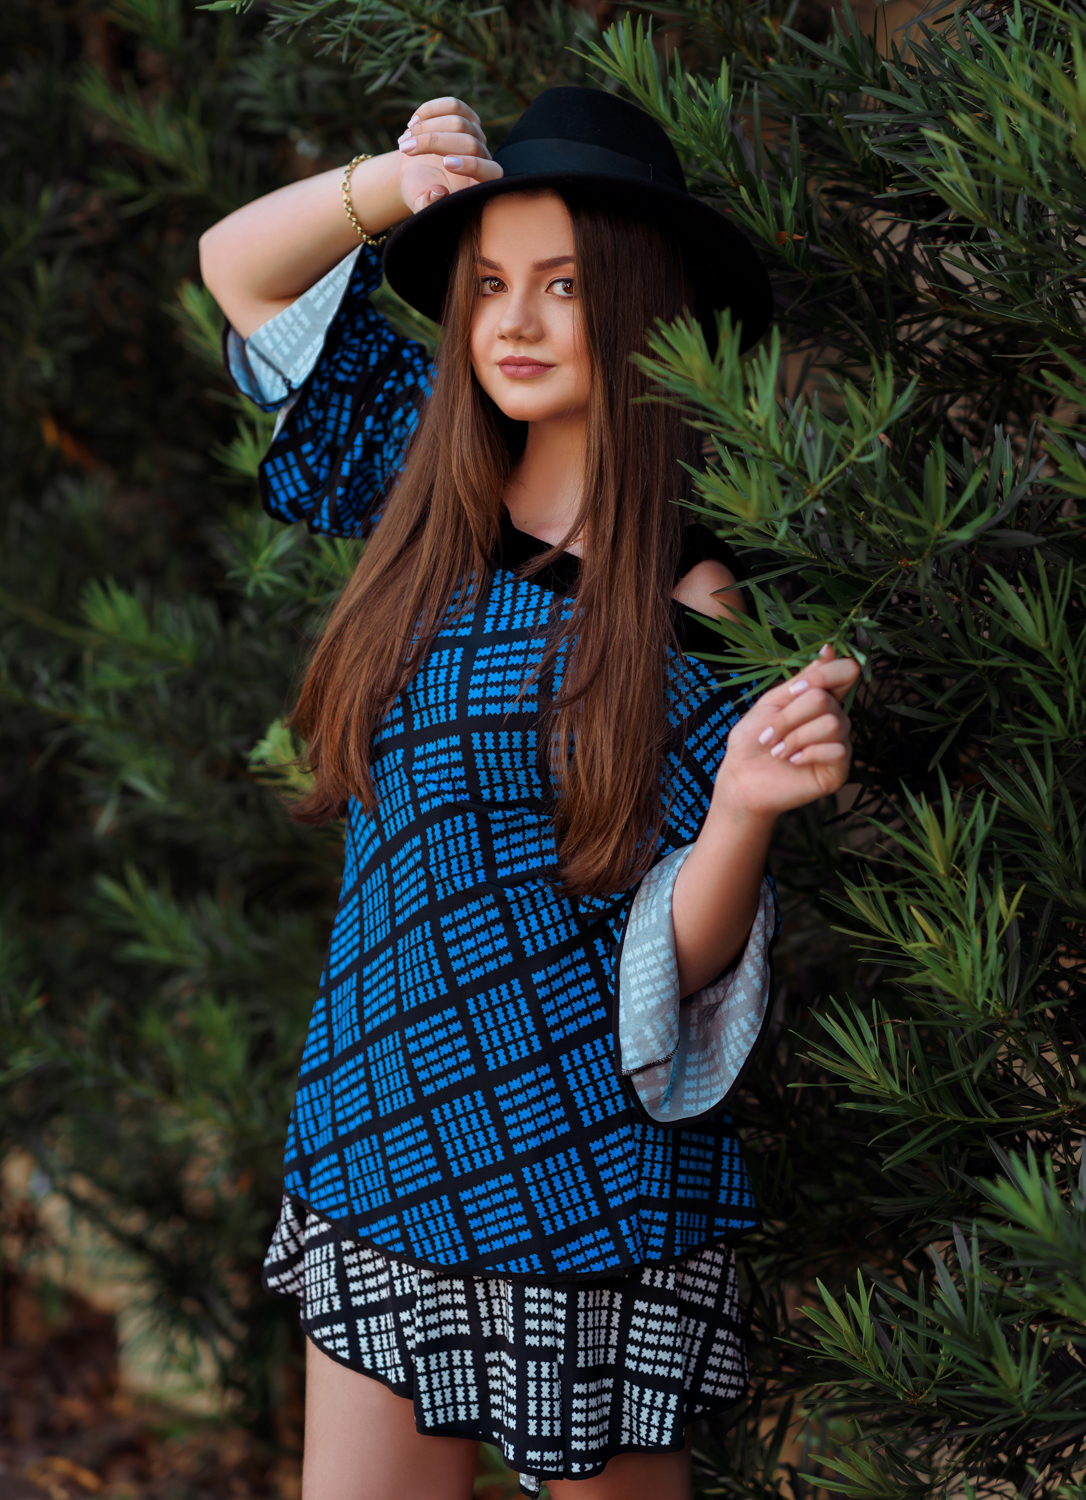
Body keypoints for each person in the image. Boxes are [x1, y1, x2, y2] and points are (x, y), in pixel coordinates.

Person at [200, 87, 858, 1500]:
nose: (514, 320)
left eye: (562, 285)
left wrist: (742, 812)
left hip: (579, 1185)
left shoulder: (696, 605)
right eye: (489, 283)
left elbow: (675, 959)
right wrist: (392, 186)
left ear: (640, 309)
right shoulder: (420, 485)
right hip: (377, 1137)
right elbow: (239, 270)